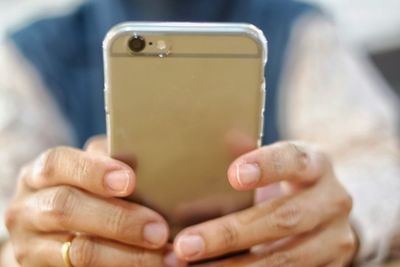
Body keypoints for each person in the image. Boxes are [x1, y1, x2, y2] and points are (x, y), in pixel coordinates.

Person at [0, 0, 399, 266]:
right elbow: (8, 204)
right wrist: (21, 246)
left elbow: (383, 163)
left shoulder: (303, 31)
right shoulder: (27, 56)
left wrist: (344, 220)